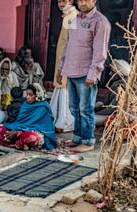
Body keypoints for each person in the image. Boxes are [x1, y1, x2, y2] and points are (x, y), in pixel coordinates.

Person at [58, 0, 111, 153]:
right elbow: (69, 45)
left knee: (85, 109)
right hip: (71, 71)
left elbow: (100, 52)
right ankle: (77, 138)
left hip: (86, 73)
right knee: (74, 108)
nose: (82, 2)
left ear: (94, 0)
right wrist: (61, 68)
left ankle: (88, 141)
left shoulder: (100, 22)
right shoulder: (74, 19)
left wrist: (93, 74)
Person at [0, 84, 57, 151]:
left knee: (32, 138)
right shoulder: (25, 104)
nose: (27, 97)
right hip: (20, 130)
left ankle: (16, 143)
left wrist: (18, 132)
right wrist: (16, 130)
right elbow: (20, 122)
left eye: (30, 95)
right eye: (26, 94)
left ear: (37, 95)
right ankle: (20, 143)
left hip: (36, 132)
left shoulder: (43, 107)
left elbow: (37, 126)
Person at [51, 0, 78, 134]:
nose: (60, 4)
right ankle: (60, 120)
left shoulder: (72, 16)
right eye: (59, 1)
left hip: (67, 61)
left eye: (63, 1)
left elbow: (72, 43)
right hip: (63, 60)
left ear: (71, 1)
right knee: (61, 87)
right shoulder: (68, 15)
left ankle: (66, 122)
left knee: (66, 89)